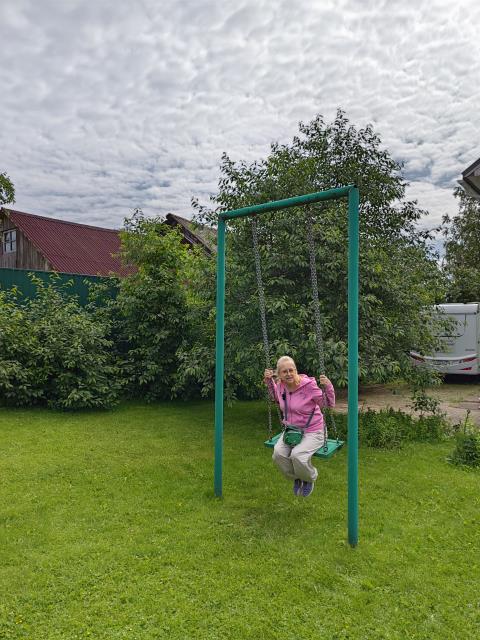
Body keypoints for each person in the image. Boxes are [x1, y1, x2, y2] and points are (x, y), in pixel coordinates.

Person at [264, 356, 335, 498]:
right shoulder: (281, 386)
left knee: (297, 455)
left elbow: (328, 405)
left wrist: (328, 386)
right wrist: (268, 381)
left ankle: (309, 478)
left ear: (296, 370)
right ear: (279, 374)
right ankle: (297, 477)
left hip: (313, 431)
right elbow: (276, 397)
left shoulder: (308, 386)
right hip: (292, 431)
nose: (288, 374)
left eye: (291, 370)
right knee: (278, 454)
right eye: (284, 371)